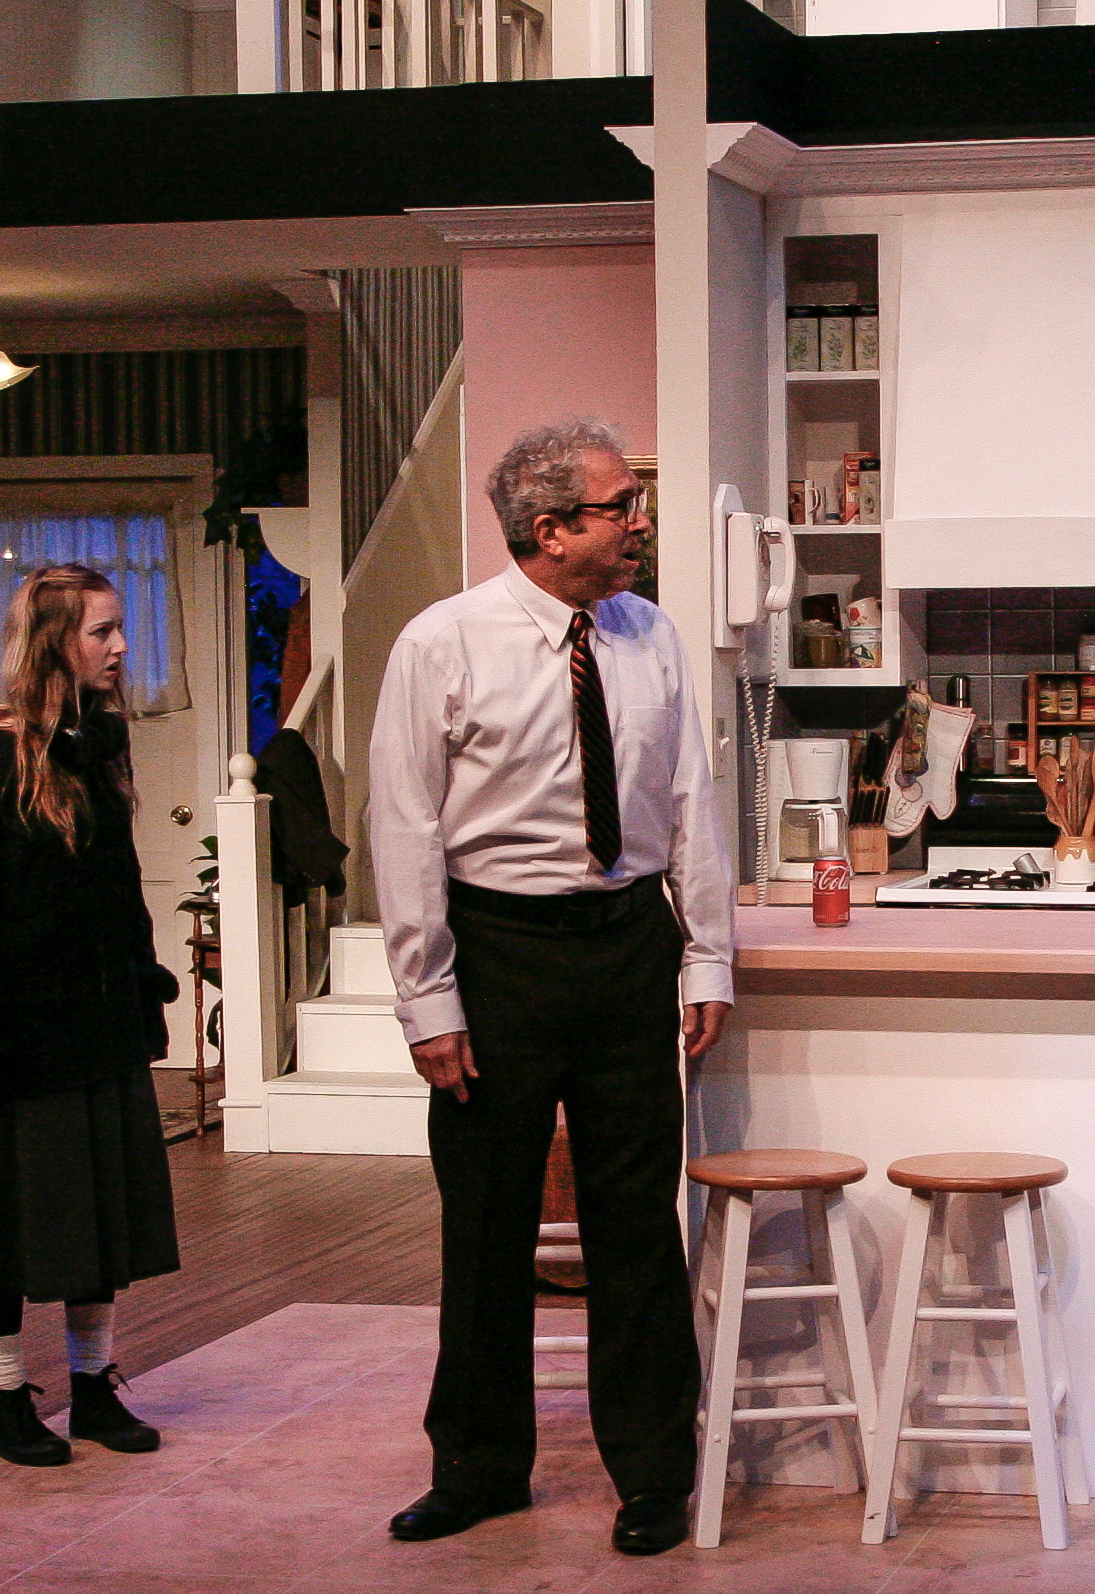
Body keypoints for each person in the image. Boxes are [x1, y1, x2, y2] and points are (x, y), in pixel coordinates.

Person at [369, 418, 733, 1561]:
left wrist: (706, 953)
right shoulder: (442, 642)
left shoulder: (650, 633)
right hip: (498, 952)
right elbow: (404, 827)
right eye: (622, 504)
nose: (640, 522)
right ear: (551, 528)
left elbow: (691, 797)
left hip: (626, 942)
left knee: (636, 1224)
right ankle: (478, 1468)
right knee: (486, 1225)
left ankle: (654, 1473)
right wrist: (428, 999)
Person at [0, 564, 180, 1468]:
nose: (120, 648)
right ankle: (2, 1402)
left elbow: (115, 888)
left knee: (97, 1219)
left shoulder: (96, 744)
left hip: (98, 1023)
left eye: (119, 629)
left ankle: (92, 1386)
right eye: (101, 631)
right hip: (21, 1034)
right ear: (52, 641)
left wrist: (141, 991)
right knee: (5, 1224)